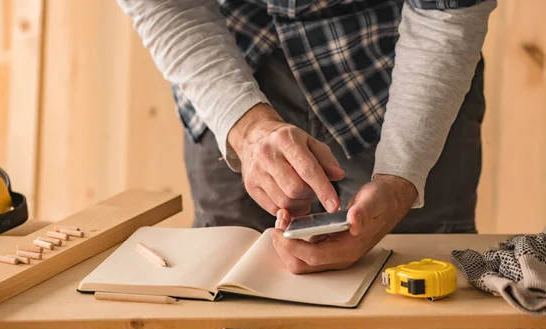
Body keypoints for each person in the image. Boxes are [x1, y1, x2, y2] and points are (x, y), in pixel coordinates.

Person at [117, 0, 497, 274]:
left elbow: (448, 14)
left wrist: (400, 181)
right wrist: (246, 127)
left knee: (424, 268)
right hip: (227, 59)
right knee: (225, 281)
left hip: (398, 67)